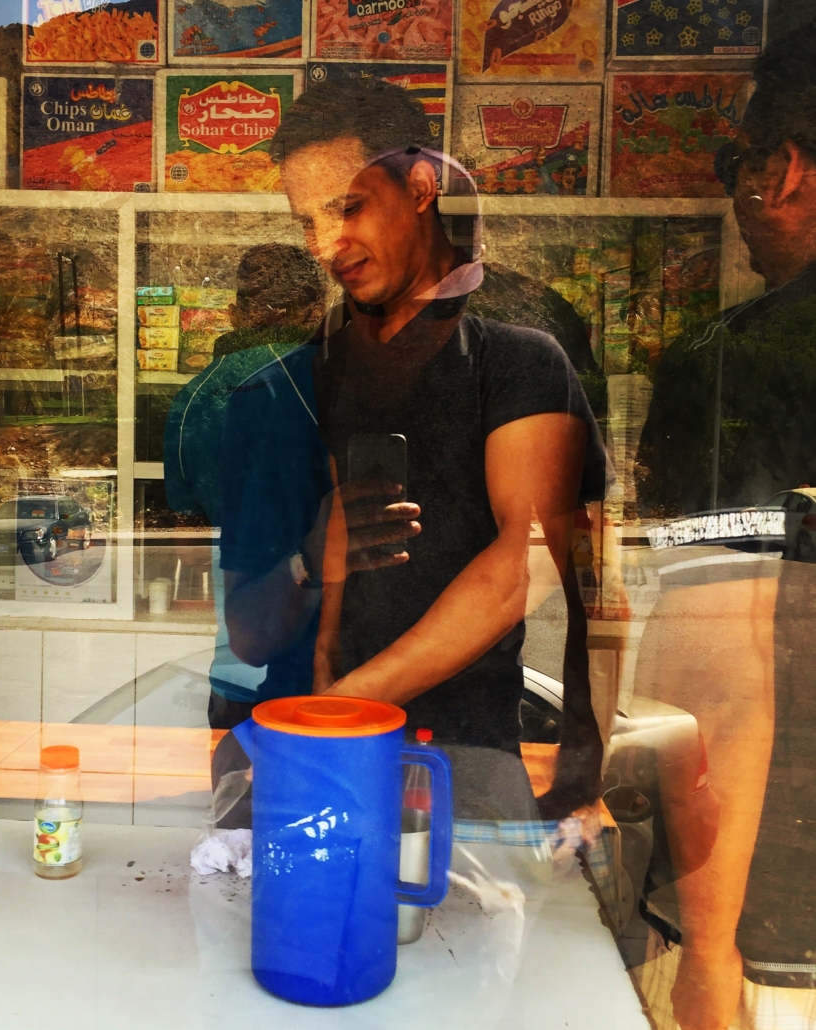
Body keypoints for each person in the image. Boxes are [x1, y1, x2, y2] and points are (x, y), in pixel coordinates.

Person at [218, 77, 611, 818]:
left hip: (457, 752)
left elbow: (526, 562)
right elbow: (250, 636)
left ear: (422, 186)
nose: (325, 245)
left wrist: (338, 706)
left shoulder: (516, 359)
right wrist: (311, 558)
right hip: (297, 754)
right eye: (307, 221)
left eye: (347, 207)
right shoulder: (284, 392)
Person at [634, 23, 816, 1030]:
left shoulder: (735, 363)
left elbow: (722, 684)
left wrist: (707, 950)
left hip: (777, 929)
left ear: (781, 171)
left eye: (734, 165)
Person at [163, 243, 326, 730]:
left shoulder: (193, 398)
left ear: (235, 313)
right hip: (330, 656)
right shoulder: (326, 380)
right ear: (317, 311)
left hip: (236, 663)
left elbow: (189, 549)